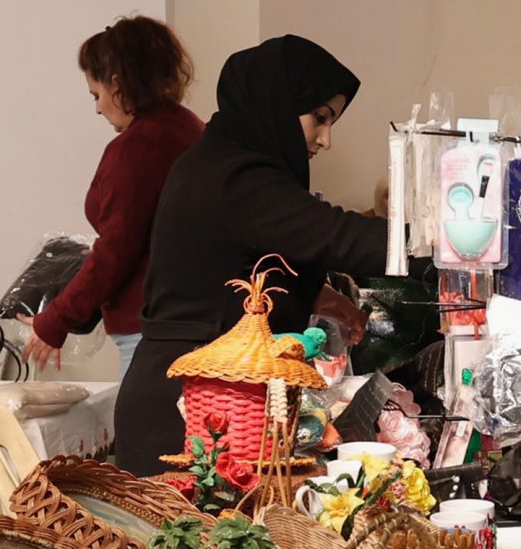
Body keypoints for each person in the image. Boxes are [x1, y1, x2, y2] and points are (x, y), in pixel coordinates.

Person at [114, 36, 386, 476]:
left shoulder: (219, 162)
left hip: (205, 396)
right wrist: (438, 239)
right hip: (191, 409)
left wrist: (318, 295)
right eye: (319, 118)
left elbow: (230, 261)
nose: (325, 139)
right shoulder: (238, 177)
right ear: (276, 104)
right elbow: (337, 235)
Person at [22, 17, 205, 379]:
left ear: (118, 84)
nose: (97, 108)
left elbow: (117, 250)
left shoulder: (135, 148)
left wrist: (56, 319)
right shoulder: (190, 128)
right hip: (191, 319)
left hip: (150, 328)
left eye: (97, 94)